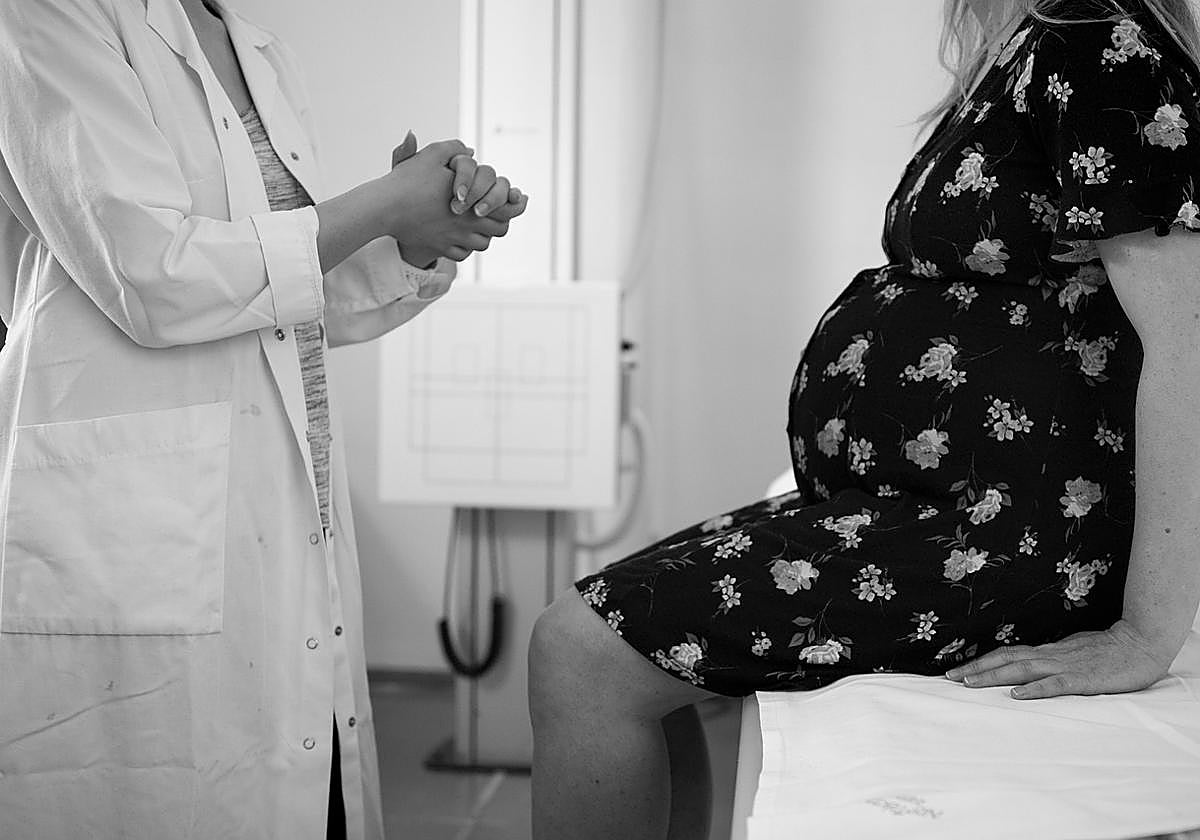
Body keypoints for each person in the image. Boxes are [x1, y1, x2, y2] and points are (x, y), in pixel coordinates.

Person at [528, 0, 1200, 838]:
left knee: (583, 652)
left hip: (1010, 531)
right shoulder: (1040, 43)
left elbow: (1190, 341)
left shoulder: (1100, 43)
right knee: (620, 648)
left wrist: (1146, 632)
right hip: (948, 503)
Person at [0, 0, 526, 838]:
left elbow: (282, 295)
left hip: (290, 487)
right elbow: (151, 276)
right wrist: (387, 203)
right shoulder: (47, 17)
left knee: (309, 792)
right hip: (137, 509)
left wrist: (417, 237)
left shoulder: (260, 51)